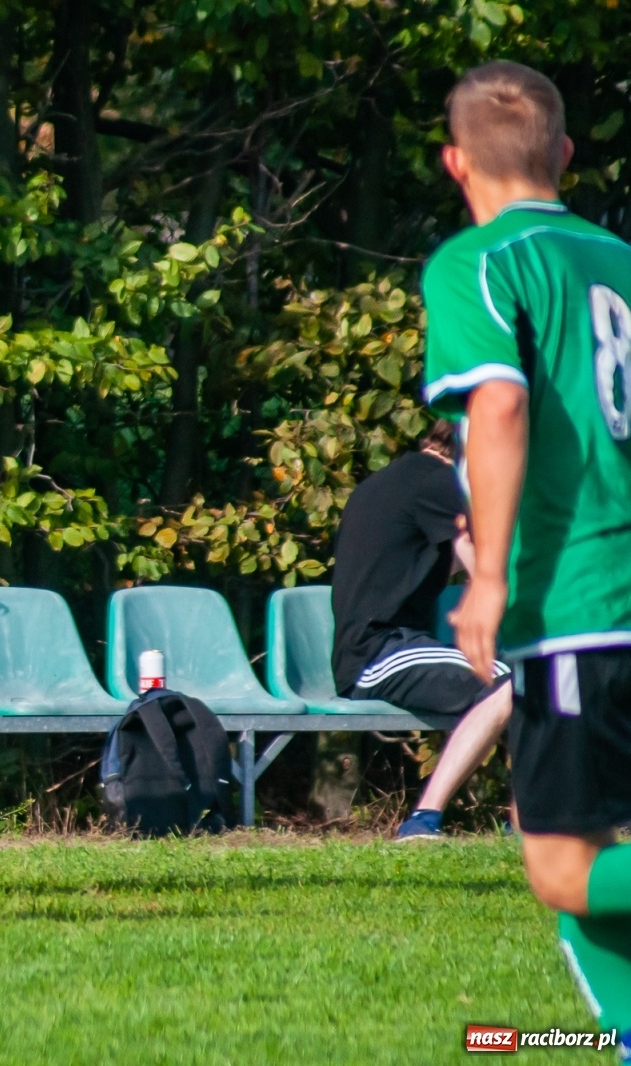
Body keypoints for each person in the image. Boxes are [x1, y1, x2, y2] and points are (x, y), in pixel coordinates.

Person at [423, 61, 631, 1050]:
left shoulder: (478, 261)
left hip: (582, 597)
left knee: (557, 864)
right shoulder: (621, 258)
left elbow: (498, 403)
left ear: (454, 162)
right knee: (579, 838)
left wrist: (491, 575)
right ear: (564, 155)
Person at [329, 421, 512, 840]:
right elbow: (487, 567)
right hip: (379, 652)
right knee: (512, 684)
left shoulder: (399, 480)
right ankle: (424, 818)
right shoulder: (439, 483)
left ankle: (531, 818)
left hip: (384, 647)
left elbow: (436, 563)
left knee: (530, 681)